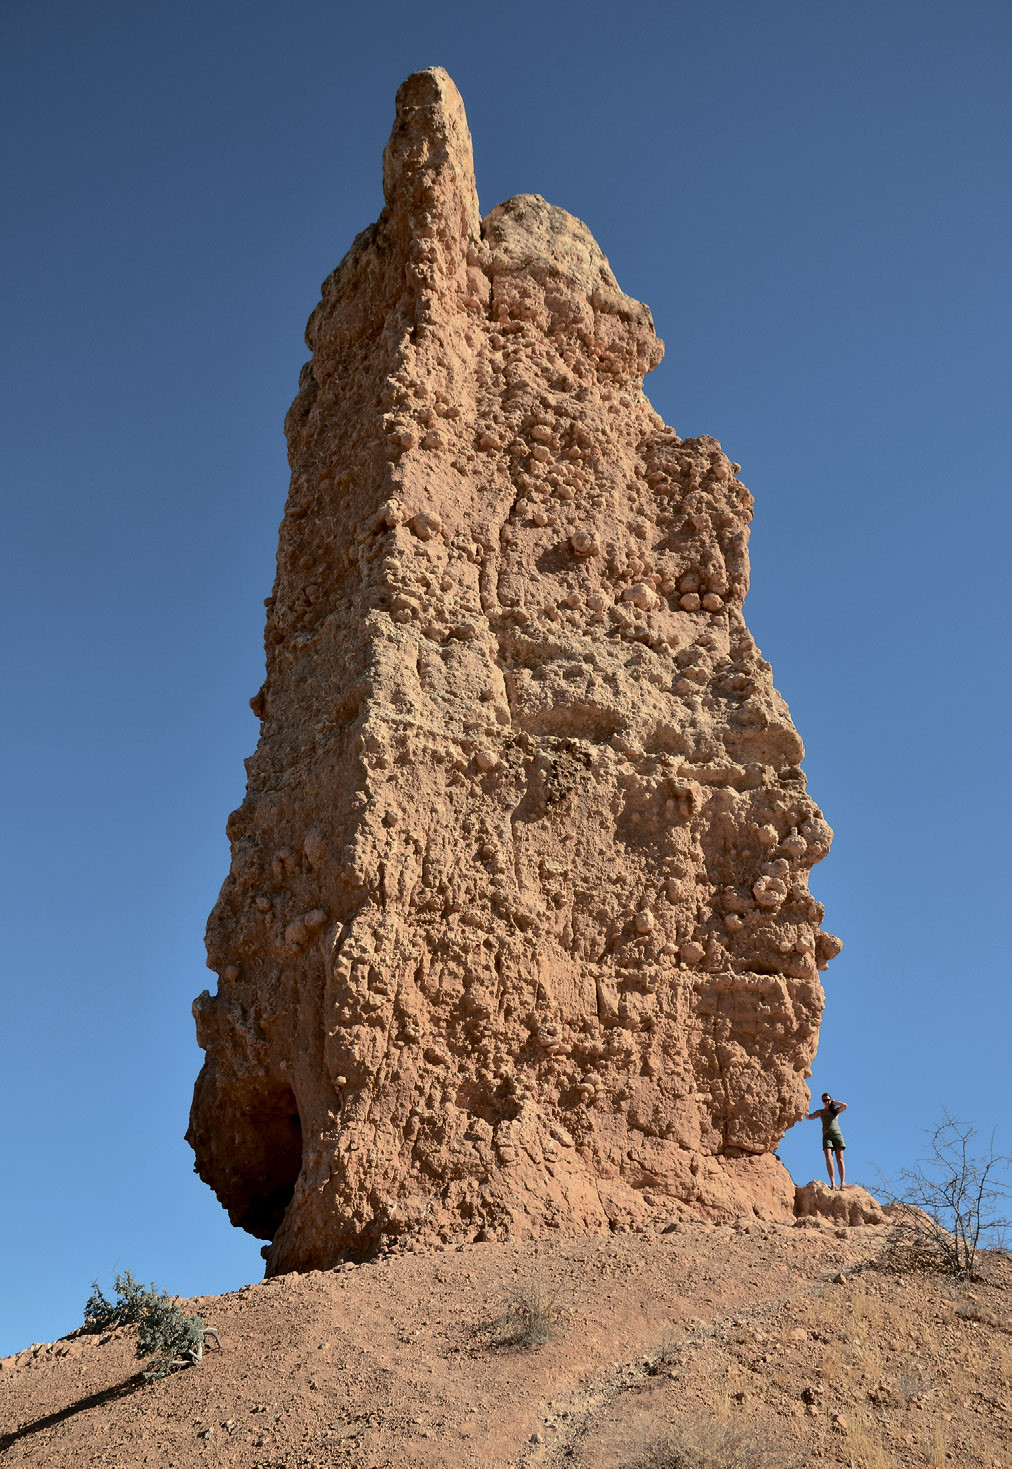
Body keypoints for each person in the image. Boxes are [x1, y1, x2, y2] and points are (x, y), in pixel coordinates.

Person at [807, 1092, 847, 1188]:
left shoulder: (835, 1111)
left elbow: (845, 1106)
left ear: (830, 1100)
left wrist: (835, 1102)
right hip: (826, 1136)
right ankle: (833, 1183)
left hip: (837, 1135)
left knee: (840, 1159)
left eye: (828, 1100)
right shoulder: (821, 1112)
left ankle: (842, 1183)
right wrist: (803, 1110)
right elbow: (809, 1117)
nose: (826, 1101)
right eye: (824, 1100)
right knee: (829, 1158)